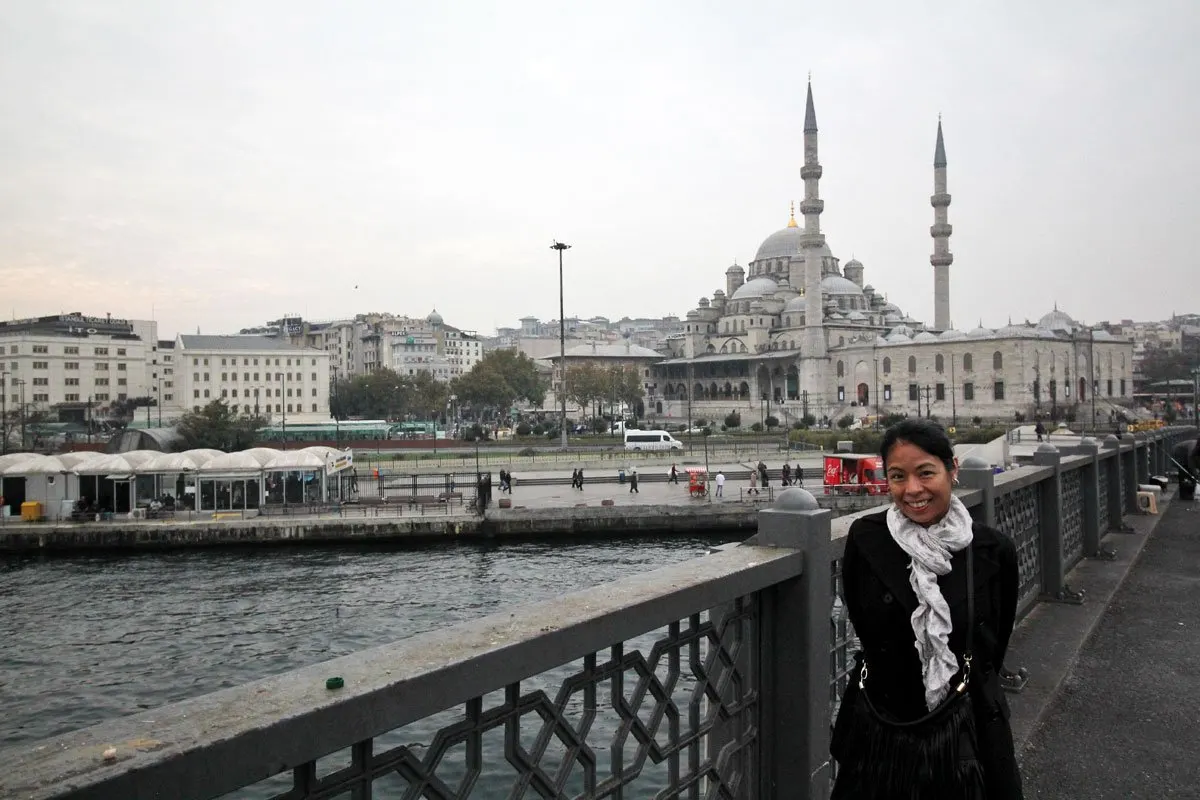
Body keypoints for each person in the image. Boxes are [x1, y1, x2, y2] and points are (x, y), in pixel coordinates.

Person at [831, 419, 1023, 799]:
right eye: (898, 476)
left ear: (952, 470)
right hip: (881, 731)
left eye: (925, 473)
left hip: (964, 734)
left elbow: (993, 645)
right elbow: (863, 621)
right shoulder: (867, 538)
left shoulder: (991, 550)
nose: (912, 490)